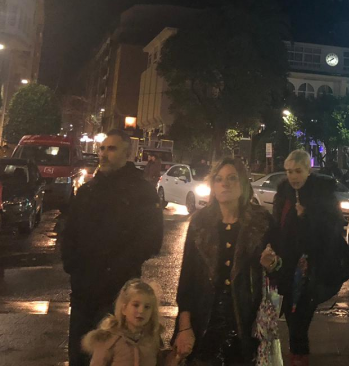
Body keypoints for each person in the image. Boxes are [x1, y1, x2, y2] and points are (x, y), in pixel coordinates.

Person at [61, 130, 164, 366]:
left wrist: (120, 267)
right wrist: (72, 265)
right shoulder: (88, 190)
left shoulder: (141, 191)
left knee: (116, 355)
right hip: (84, 288)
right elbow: (70, 231)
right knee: (79, 353)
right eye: (102, 149)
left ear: (128, 154)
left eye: (112, 149)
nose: (104, 154)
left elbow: (151, 239)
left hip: (120, 292)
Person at [174, 158, 276, 364]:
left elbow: (280, 273)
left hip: (247, 325)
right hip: (204, 324)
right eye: (219, 179)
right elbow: (187, 281)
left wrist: (273, 264)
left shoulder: (262, 223)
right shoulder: (200, 223)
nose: (225, 184)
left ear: (243, 184)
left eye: (232, 178)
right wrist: (184, 327)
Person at [273, 149, 347, 366]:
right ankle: (297, 353)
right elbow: (277, 227)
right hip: (286, 265)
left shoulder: (322, 195)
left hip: (312, 267)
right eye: (288, 171)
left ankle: (299, 355)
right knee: (290, 313)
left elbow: (333, 228)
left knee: (301, 315)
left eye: (297, 171)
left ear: (308, 170)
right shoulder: (283, 195)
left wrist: (307, 216)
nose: (293, 176)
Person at [82, 279, 167, 366]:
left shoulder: (153, 339)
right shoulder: (110, 340)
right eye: (136, 305)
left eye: (147, 307)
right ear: (124, 309)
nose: (141, 311)